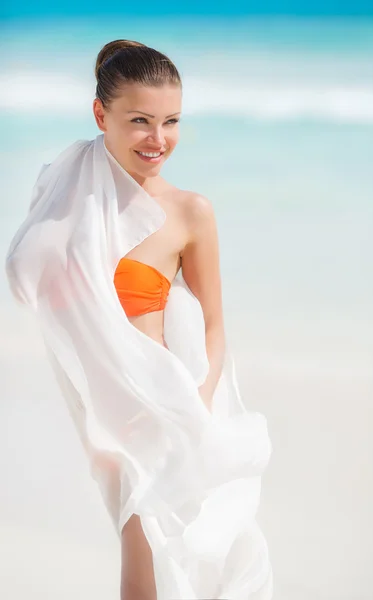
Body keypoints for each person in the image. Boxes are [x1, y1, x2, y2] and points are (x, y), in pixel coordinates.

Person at [5, 39, 273, 600]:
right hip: (109, 415)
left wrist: (194, 409)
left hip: (168, 409)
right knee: (145, 556)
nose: (159, 140)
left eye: (171, 121)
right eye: (140, 121)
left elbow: (215, 327)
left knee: (170, 558)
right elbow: (25, 278)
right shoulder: (67, 195)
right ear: (101, 114)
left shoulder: (189, 212)